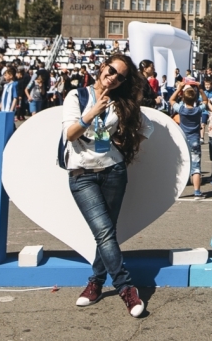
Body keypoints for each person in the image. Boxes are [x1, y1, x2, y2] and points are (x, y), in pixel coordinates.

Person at [62, 53, 150, 317]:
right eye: (111, 71)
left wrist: (126, 146)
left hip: (113, 171)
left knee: (106, 233)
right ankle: (126, 288)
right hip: (82, 175)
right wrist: (93, 113)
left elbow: (147, 128)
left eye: (120, 77)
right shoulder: (76, 97)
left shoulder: (120, 103)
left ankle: (95, 283)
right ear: (102, 67)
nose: (112, 78)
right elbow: (70, 134)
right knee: (103, 232)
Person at [169, 84, 210, 199]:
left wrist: (179, 89)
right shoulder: (198, 110)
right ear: (195, 99)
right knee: (196, 167)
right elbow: (206, 101)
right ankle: (197, 191)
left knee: (181, 165)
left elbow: (171, 100)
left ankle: (177, 191)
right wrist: (200, 89)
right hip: (194, 139)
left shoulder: (181, 109)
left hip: (182, 139)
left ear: (183, 98)